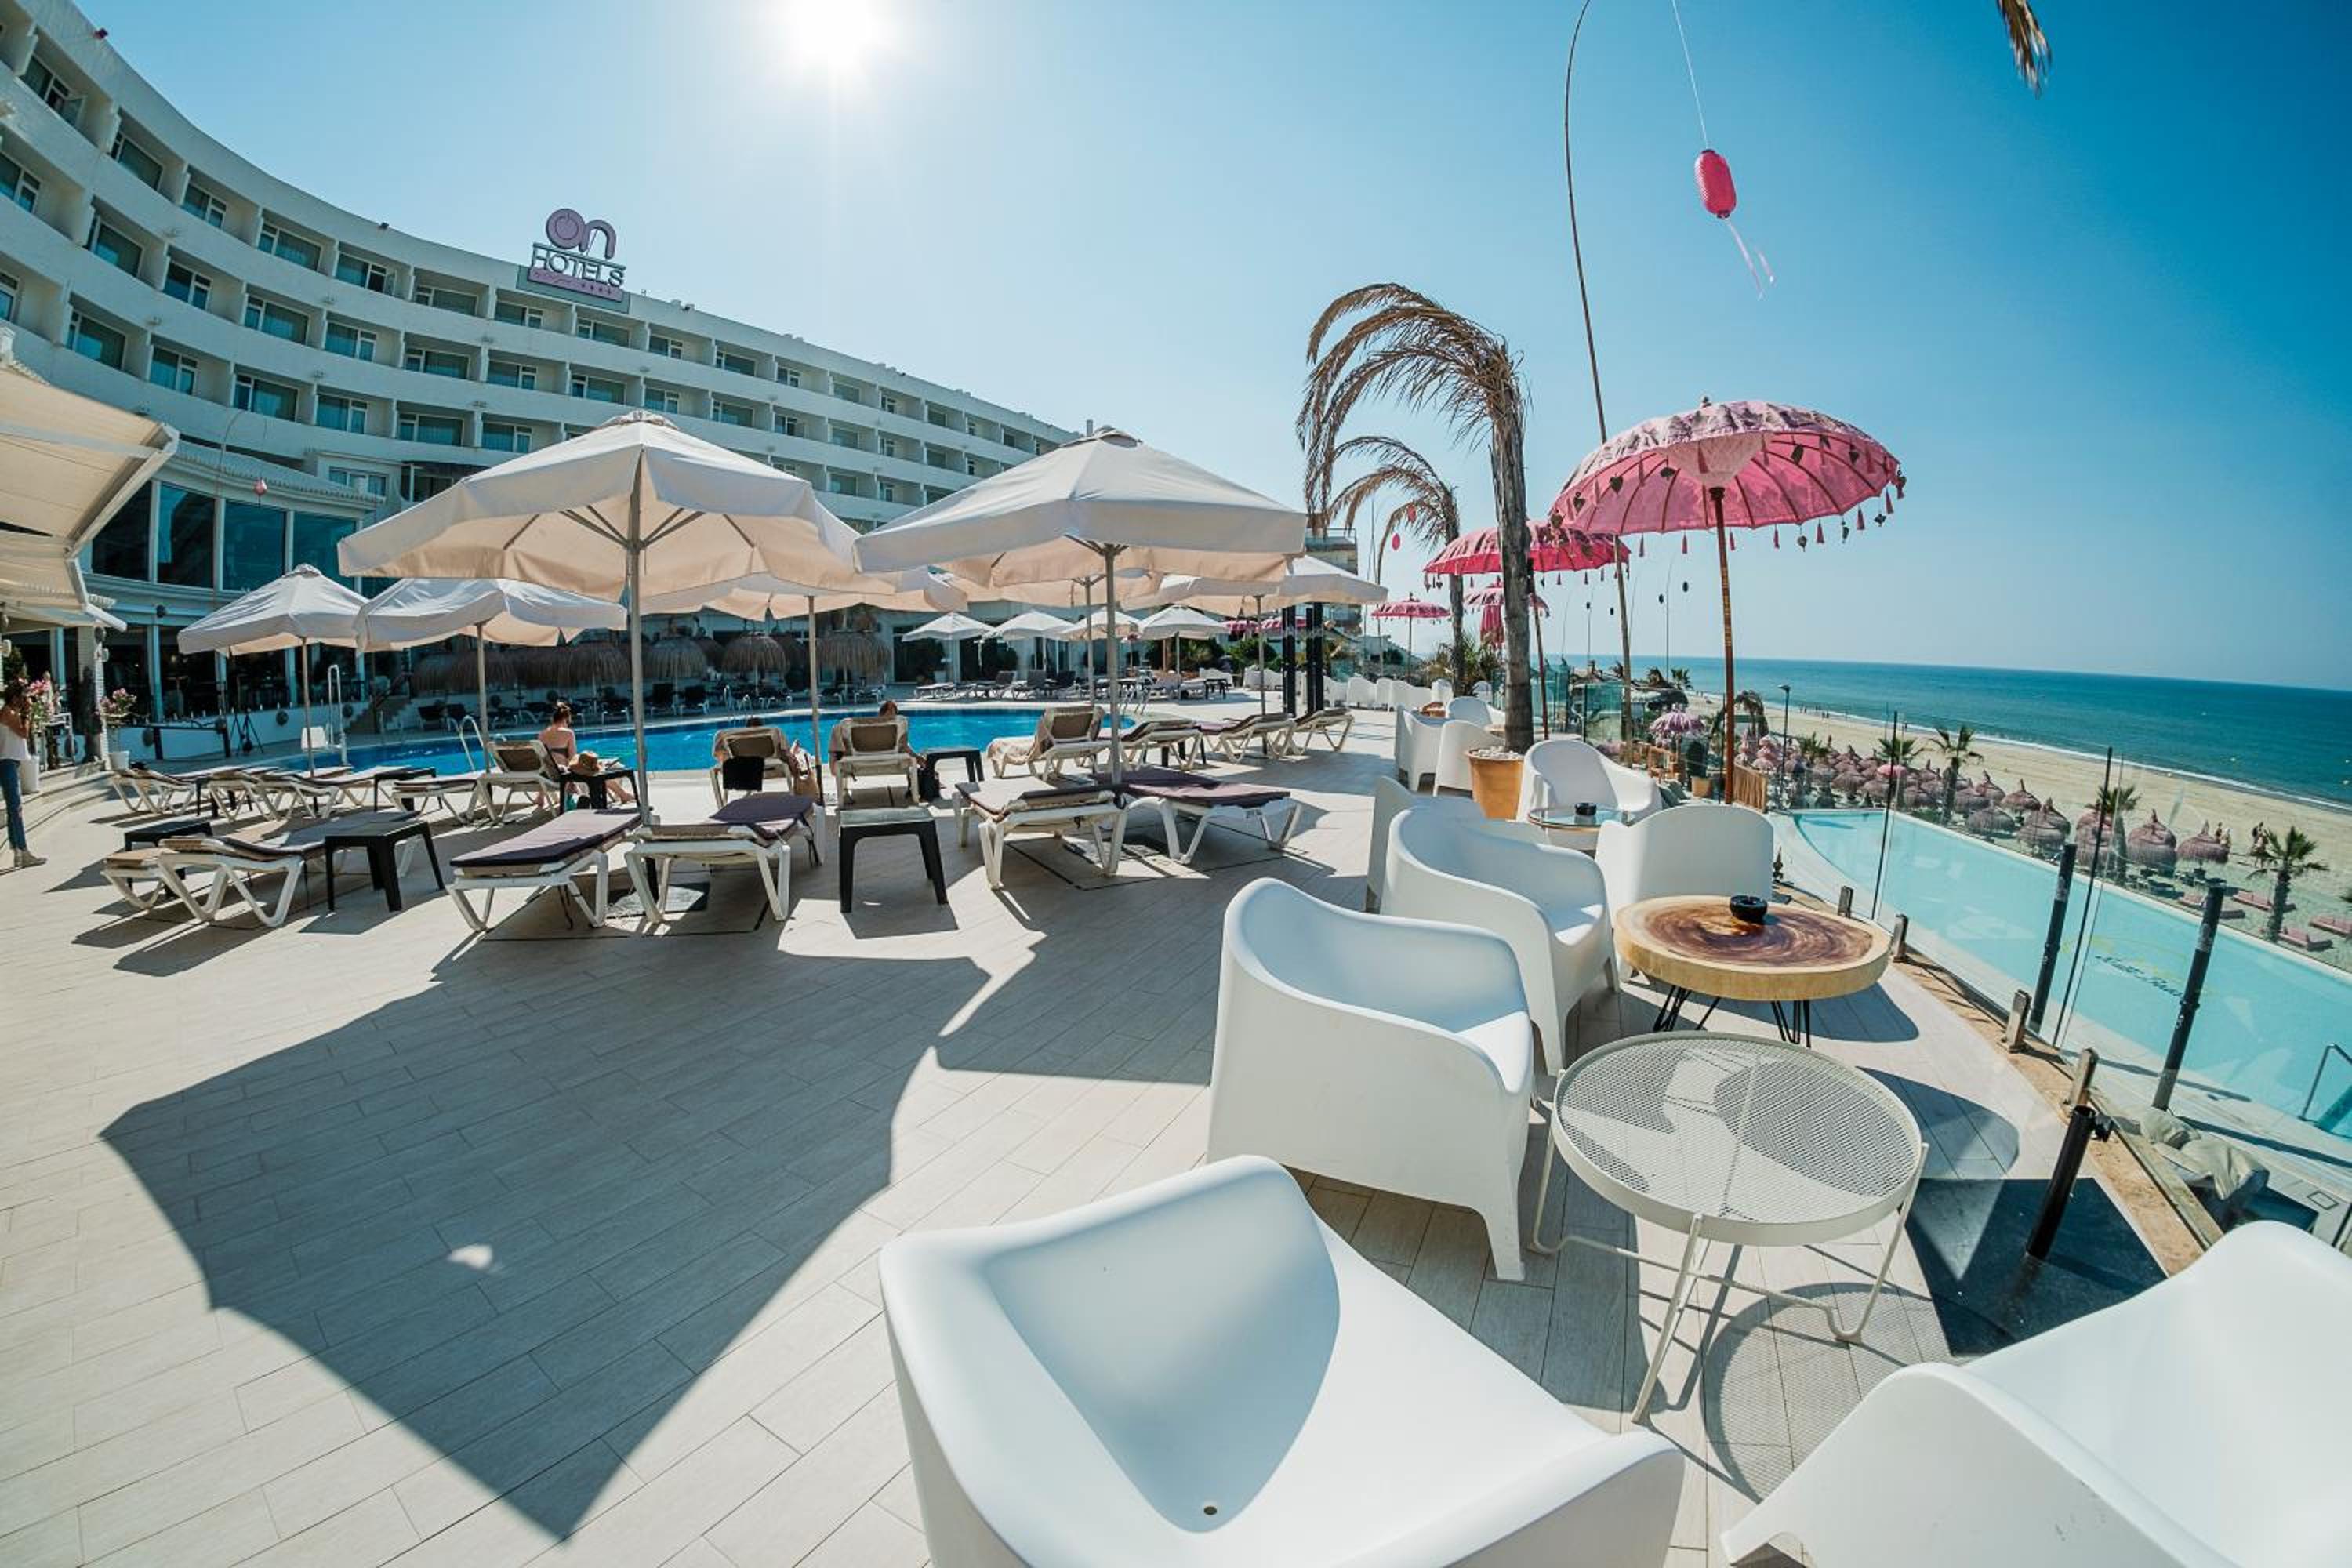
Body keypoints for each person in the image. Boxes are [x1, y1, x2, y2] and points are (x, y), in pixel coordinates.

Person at [1, 679, 42, 869]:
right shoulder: (8, 713)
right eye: (24, 697)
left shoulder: (11, 712)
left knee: (13, 810)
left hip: (11, 762)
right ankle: (23, 852)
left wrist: (25, 713)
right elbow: (24, 733)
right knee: (16, 809)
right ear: (15, 697)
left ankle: (18, 852)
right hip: (6, 763)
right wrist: (27, 713)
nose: (26, 700)